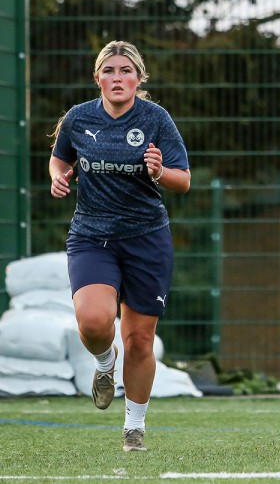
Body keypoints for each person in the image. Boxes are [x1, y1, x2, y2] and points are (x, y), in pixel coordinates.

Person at [49, 40, 191, 452]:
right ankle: (104, 364)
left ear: (138, 78)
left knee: (140, 340)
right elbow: (60, 158)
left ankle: (134, 427)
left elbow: (183, 180)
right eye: (109, 70)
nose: (117, 78)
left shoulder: (155, 119)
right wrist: (59, 176)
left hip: (147, 238)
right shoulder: (78, 119)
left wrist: (160, 171)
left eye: (125, 71)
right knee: (94, 323)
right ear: (97, 78)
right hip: (92, 237)